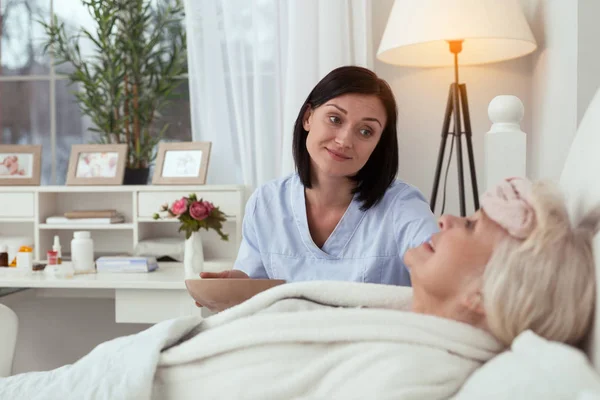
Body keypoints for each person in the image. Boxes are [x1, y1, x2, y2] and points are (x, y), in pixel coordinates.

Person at [201, 66, 438, 287]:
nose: (344, 140)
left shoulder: (403, 206)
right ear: (308, 118)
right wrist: (235, 285)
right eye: (335, 119)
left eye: (366, 131)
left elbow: (443, 270)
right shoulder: (266, 202)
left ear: (378, 144)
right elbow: (256, 287)